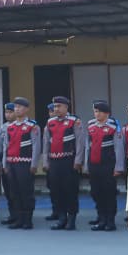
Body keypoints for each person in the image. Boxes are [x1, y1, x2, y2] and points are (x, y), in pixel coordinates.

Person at [44, 96, 85, 230]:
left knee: (70, 190)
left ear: (66, 107)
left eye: (59, 106)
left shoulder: (74, 121)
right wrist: (46, 162)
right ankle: (61, 218)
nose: (56, 109)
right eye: (55, 107)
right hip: (54, 162)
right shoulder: (50, 122)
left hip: (69, 161)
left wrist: (78, 161)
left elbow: (80, 143)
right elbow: (46, 144)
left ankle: (71, 219)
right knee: (56, 190)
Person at [83, 100, 124, 230]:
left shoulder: (114, 126)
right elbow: (87, 147)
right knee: (96, 192)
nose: (97, 114)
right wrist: (86, 165)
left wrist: (118, 167)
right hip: (94, 165)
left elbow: (119, 149)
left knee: (109, 193)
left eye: (100, 111)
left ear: (107, 113)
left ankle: (110, 220)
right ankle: (101, 218)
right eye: (95, 111)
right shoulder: (90, 125)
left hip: (108, 165)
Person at [3, 97, 41, 229]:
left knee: (26, 192)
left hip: (25, 163)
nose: (17, 109)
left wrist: (34, 164)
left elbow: (36, 146)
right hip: (12, 163)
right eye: (15, 107)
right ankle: (19, 219)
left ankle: (28, 219)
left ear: (26, 109)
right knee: (14, 192)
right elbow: (6, 147)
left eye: (20, 107)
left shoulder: (32, 126)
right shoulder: (10, 127)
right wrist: (5, 164)